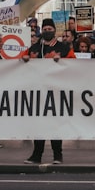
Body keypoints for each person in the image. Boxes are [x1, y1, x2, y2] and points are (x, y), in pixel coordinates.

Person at [24, 18, 72, 165]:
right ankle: (36, 155)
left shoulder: (63, 48)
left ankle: (57, 155)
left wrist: (63, 60)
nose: (47, 31)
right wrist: (24, 58)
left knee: (54, 124)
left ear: (54, 31)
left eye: (50, 29)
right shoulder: (34, 48)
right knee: (39, 125)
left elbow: (75, 63)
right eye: (45, 29)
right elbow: (22, 59)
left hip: (56, 92)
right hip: (38, 93)